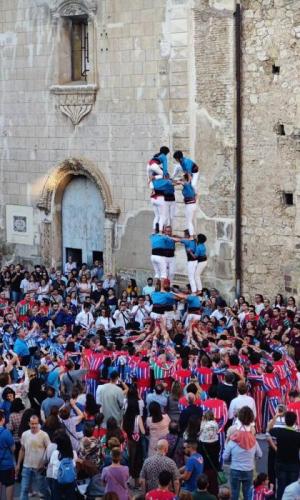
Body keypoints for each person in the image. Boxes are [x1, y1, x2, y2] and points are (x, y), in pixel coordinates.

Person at [223, 408, 262, 500]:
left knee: (234, 494)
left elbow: (225, 457)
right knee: (248, 495)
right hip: (249, 469)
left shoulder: (233, 439)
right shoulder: (253, 440)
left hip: (235, 468)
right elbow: (260, 454)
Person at [16, 414, 51, 500]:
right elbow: (22, 449)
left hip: (39, 468)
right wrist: (18, 464)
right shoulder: (25, 434)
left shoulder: (44, 435)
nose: (34, 426)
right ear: (29, 423)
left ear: (39, 423)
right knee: (24, 489)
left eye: (36, 423)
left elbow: (49, 450)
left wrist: (44, 464)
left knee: (43, 490)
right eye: (32, 423)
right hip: (26, 467)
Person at [269, 411, 300, 499]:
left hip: (280, 464)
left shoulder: (279, 431)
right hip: (294, 465)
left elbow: (269, 429)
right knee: (292, 489)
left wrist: (276, 416)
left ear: (285, 420)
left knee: (281, 487)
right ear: (295, 421)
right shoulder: (298, 435)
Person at [0, 409, 15, 500]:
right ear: (3, 419)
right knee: (9, 484)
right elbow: (13, 448)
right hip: (7, 464)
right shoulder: (6, 432)